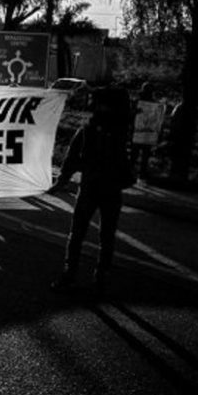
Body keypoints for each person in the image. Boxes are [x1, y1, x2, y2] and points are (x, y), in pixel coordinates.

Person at [49, 87, 134, 293]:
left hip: (90, 188)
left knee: (78, 233)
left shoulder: (88, 131)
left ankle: (70, 274)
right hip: (112, 189)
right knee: (107, 236)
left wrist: (61, 183)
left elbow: (70, 161)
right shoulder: (121, 132)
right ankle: (101, 276)